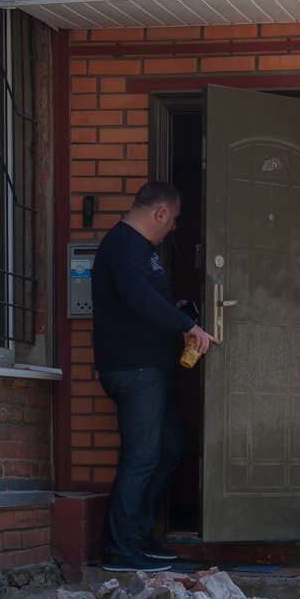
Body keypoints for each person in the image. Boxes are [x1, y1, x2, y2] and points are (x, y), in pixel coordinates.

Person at [91, 181, 217, 572]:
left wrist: (176, 308)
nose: (175, 227)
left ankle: (139, 534)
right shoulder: (124, 246)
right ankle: (121, 548)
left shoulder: (139, 250)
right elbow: (136, 297)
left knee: (170, 447)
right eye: (174, 219)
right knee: (141, 456)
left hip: (149, 369)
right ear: (160, 214)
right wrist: (185, 325)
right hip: (135, 369)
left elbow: (144, 298)